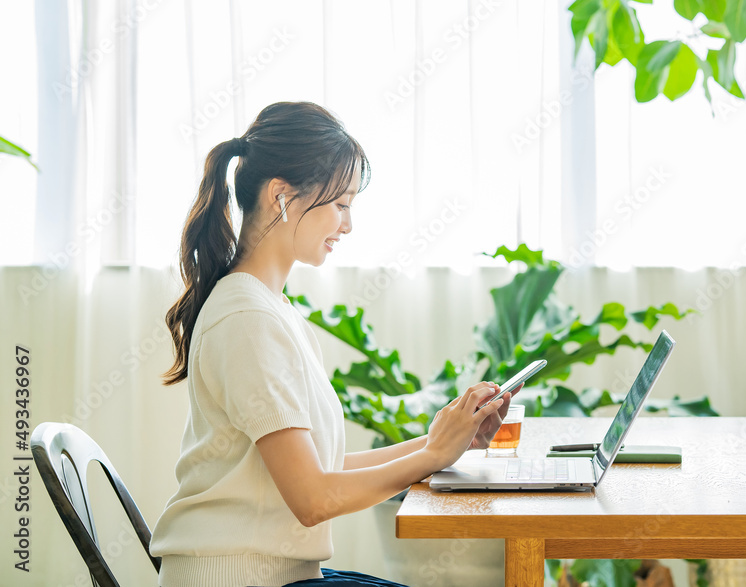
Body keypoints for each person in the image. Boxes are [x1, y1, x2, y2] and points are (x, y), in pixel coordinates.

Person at [149, 101, 520, 587]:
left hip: (280, 575)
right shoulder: (247, 318)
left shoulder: (271, 309)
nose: (348, 225)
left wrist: (446, 443)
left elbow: (319, 470)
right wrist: (432, 457)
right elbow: (314, 499)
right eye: (341, 205)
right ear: (281, 195)